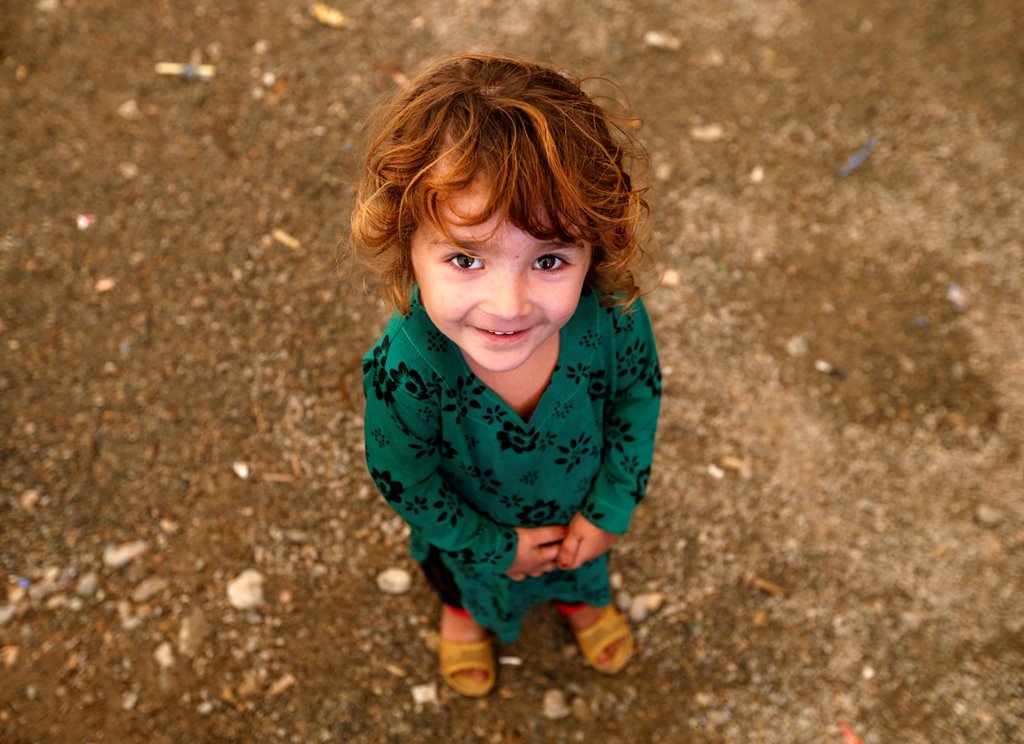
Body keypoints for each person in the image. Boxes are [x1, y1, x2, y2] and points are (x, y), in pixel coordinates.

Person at [352, 53, 660, 697]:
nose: (508, 305)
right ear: (406, 242)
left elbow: (637, 399)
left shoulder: (613, 318)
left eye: (548, 260)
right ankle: (463, 615)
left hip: (578, 516)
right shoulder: (405, 369)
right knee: (462, 581)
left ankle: (579, 597)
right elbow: (406, 481)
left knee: (581, 565)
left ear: (595, 246)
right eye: (467, 259)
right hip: (472, 534)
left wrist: (611, 508)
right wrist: (494, 548)